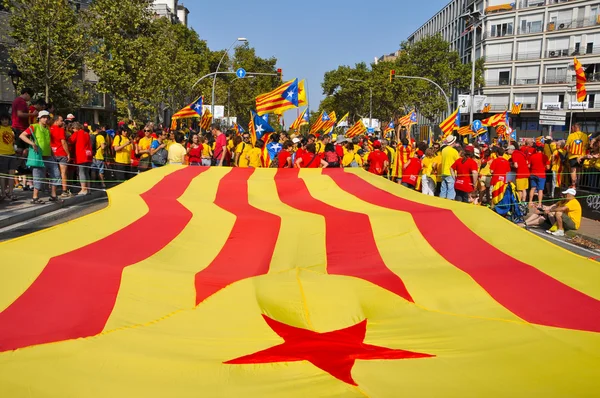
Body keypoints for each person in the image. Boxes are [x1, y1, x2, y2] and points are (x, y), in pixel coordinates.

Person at [18, 110, 61, 203]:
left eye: (47, 117)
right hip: (38, 156)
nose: (46, 119)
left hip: (49, 156)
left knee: (56, 174)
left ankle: (53, 195)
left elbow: (48, 143)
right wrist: (32, 143)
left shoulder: (48, 128)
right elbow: (22, 135)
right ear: (39, 118)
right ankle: (35, 197)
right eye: (44, 117)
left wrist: (53, 154)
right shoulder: (34, 126)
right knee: (38, 176)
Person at [49, 115, 71, 196]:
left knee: (53, 173)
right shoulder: (61, 130)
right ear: (56, 121)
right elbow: (63, 142)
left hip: (52, 153)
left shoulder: (48, 129)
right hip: (61, 153)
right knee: (63, 173)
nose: (62, 122)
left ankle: (53, 190)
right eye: (61, 120)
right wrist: (68, 153)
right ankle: (64, 190)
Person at [565, 123, 589, 188]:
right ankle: (578, 183)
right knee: (579, 170)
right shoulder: (585, 135)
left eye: (572, 128)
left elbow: (566, 146)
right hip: (582, 156)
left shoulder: (571, 135)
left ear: (575, 128)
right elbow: (587, 145)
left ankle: (573, 184)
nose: (572, 129)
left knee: (573, 170)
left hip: (572, 155)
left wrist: (568, 151)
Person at [0, 114, 17, 201]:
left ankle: (11, 192)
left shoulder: (11, 129)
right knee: (3, 175)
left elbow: (13, 141)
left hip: (12, 154)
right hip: (2, 155)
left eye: (6, 119)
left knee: (11, 175)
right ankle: (3, 193)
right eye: (3, 120)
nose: (5, 121)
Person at [528, 144, 549, 209]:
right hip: (541, 175)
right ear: (542, 151)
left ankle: (530, 202)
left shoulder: (532, 156)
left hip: (533, 173)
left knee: (533, 188)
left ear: (536, 150)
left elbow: (528, 166)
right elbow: (548, 167)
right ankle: (539, 203)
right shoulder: (545, 157)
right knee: (540, 190)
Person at [440, 135, 459, 200]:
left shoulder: (443, 150)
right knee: (451, 190)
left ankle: (441, 203)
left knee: (443, 189)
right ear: (453, 142)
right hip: (451, 173)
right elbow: (458, 161)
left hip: (443, 171)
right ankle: (449, 204)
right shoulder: (454, 151)